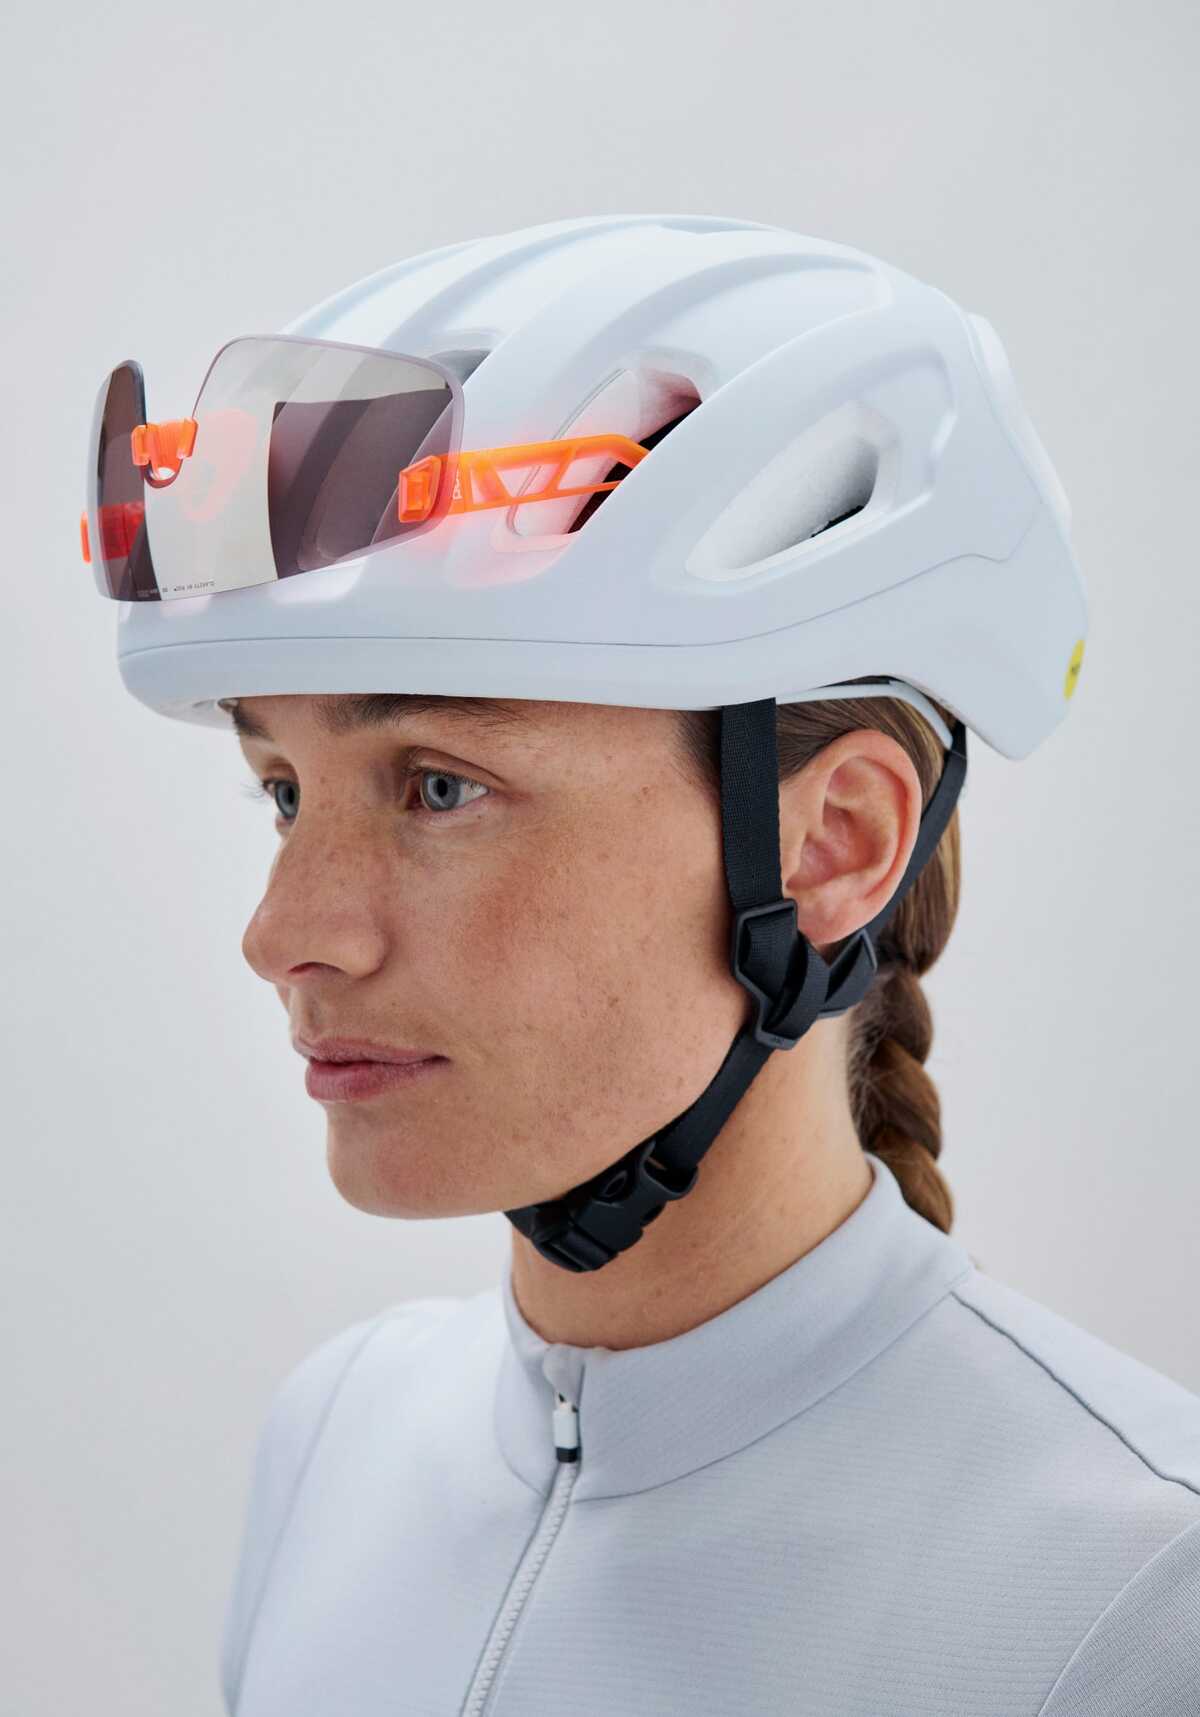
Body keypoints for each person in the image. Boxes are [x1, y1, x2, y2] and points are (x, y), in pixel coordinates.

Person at [83, 214, 1199, 1715]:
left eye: (440, 787)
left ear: (832, 845)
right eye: (283, 792)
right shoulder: (335, 1442)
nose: (284, 932)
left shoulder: (1138, 1593)